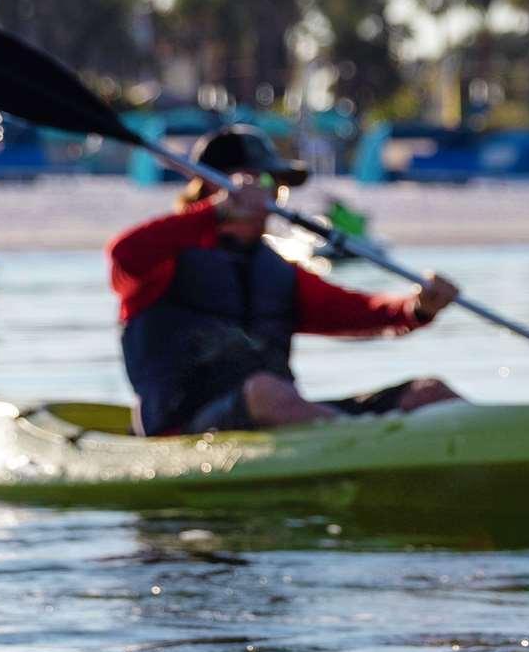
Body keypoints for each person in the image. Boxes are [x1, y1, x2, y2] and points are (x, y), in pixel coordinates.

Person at [111, 125, 468, 435]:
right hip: (185, 425)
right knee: (266, 392)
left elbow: (358, 311)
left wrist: (417, 307)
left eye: (276, 188)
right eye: (259, 184)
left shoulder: (276, 271)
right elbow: (123, 254)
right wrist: (217, 211)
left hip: (277, 413)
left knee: (427, 392)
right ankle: (368, 446)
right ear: (211, 188)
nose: (269, 198)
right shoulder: (164, 259)